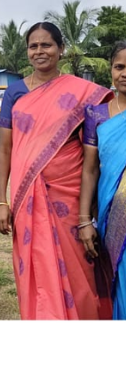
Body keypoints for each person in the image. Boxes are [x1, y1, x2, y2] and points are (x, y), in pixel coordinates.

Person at [0, 21, 112, 320]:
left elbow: (93, 151)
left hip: (69, 193)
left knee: (77, 264)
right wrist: (1, 201)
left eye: (46, 45)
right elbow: (5, 149)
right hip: (27, 195)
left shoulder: (81, 92)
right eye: (33, 46)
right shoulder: (14, 93)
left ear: (61, 49)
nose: (39, 51)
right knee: (36, 262)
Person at [79, 41, 126, 319]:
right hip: (114, 217)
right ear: (110, 70)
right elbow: (90, 170)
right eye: (119, 67)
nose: (124, 73)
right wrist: (85, 220)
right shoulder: (96, 114)